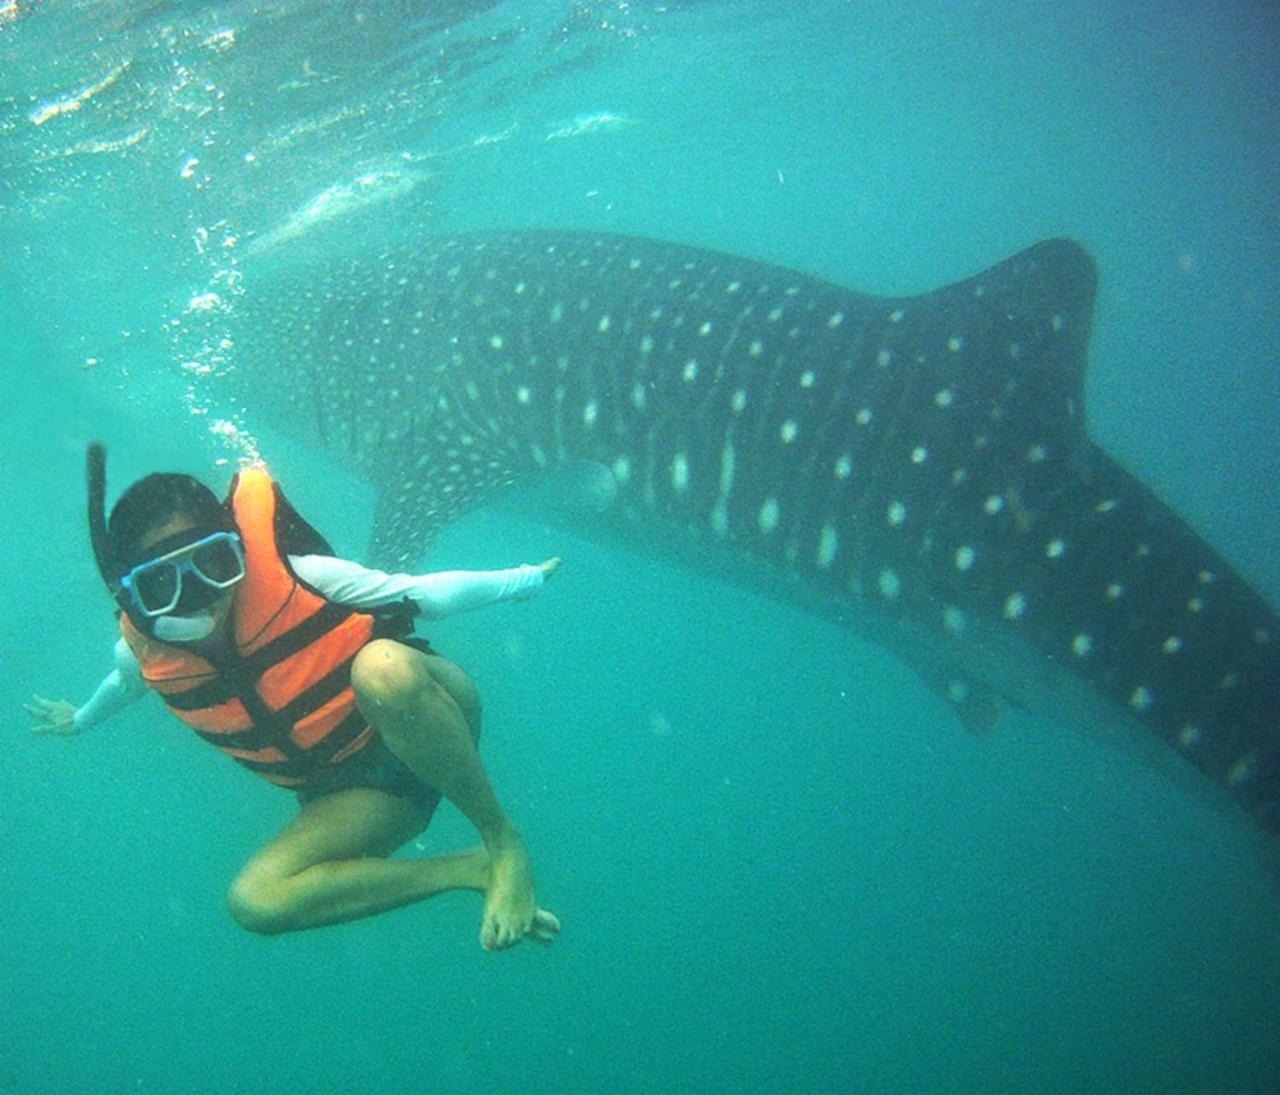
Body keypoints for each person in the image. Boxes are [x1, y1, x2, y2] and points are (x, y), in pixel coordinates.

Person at [25, 444, 561, 951]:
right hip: (362, 798)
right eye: (164, 584)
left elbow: (422, 593)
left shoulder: (299, 576)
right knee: (255, 903)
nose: (199, 600)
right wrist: (81, 720)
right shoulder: (144, 653)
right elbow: (122, 685)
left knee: (383, 668)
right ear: (136, 597)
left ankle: (500, 839)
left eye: (214, 565)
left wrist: (522, 580)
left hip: (430, 715)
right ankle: (469, 869)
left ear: (237, 551)